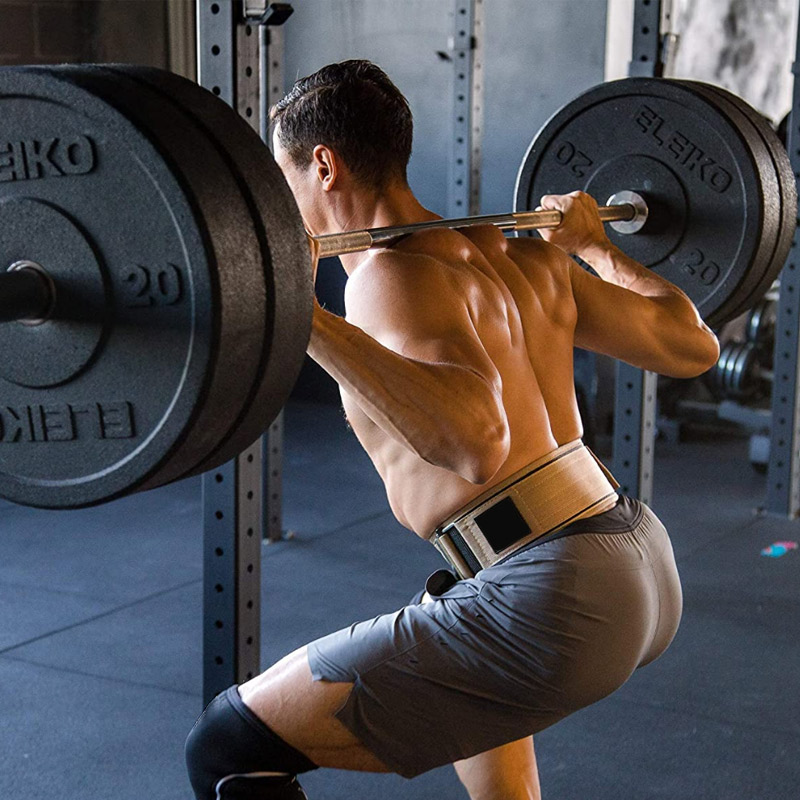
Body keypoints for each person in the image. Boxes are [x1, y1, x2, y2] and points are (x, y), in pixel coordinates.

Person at [185, 60, 720, 800]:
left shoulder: (386, 275)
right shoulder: (527, 255)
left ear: (324, 164)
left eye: (284, 174)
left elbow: (474, 442)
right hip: (633, 557)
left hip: (551, 598)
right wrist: (596, 246)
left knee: (229, 746)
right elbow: (692, 344)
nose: (282, 198)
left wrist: (299, 312)